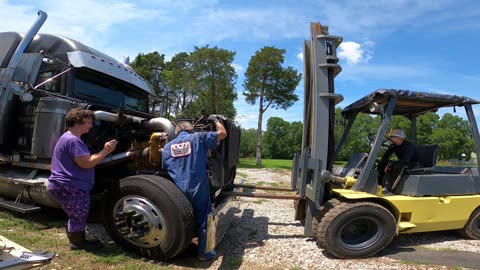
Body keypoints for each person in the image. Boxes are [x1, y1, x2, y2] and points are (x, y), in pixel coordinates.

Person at [48, 108, 117, 251]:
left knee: (76, 215)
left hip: (65, 184)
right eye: (89, 122)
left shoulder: (67, 137)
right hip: (70, 184)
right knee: (78, 215)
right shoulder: (74, 141)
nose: (91, 126)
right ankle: (79, 243)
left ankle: (79, 241)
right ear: (80, 122)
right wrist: (106, 151)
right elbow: (87, 163)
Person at [162, 115, 227, 261]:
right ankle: (205, 253)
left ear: (176, 131)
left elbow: (164, 169)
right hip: (197, 187)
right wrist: (216, 121)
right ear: (189, 128)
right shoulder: (198, 138)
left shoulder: (166, 148)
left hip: (176, 191)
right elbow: (222, 134)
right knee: (205, 217)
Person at [377, 129, 417, 194]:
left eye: (392, 137)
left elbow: (406, 160)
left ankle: (388, 188)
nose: (390, 138)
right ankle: (378, 184)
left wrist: (391, 164)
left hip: (412, 164)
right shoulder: (393, 145)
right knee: (382, 163)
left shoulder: (409, 146)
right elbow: (385, 157)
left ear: (399, 138)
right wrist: (388, 163)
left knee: (399, 166)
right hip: (402, 162)